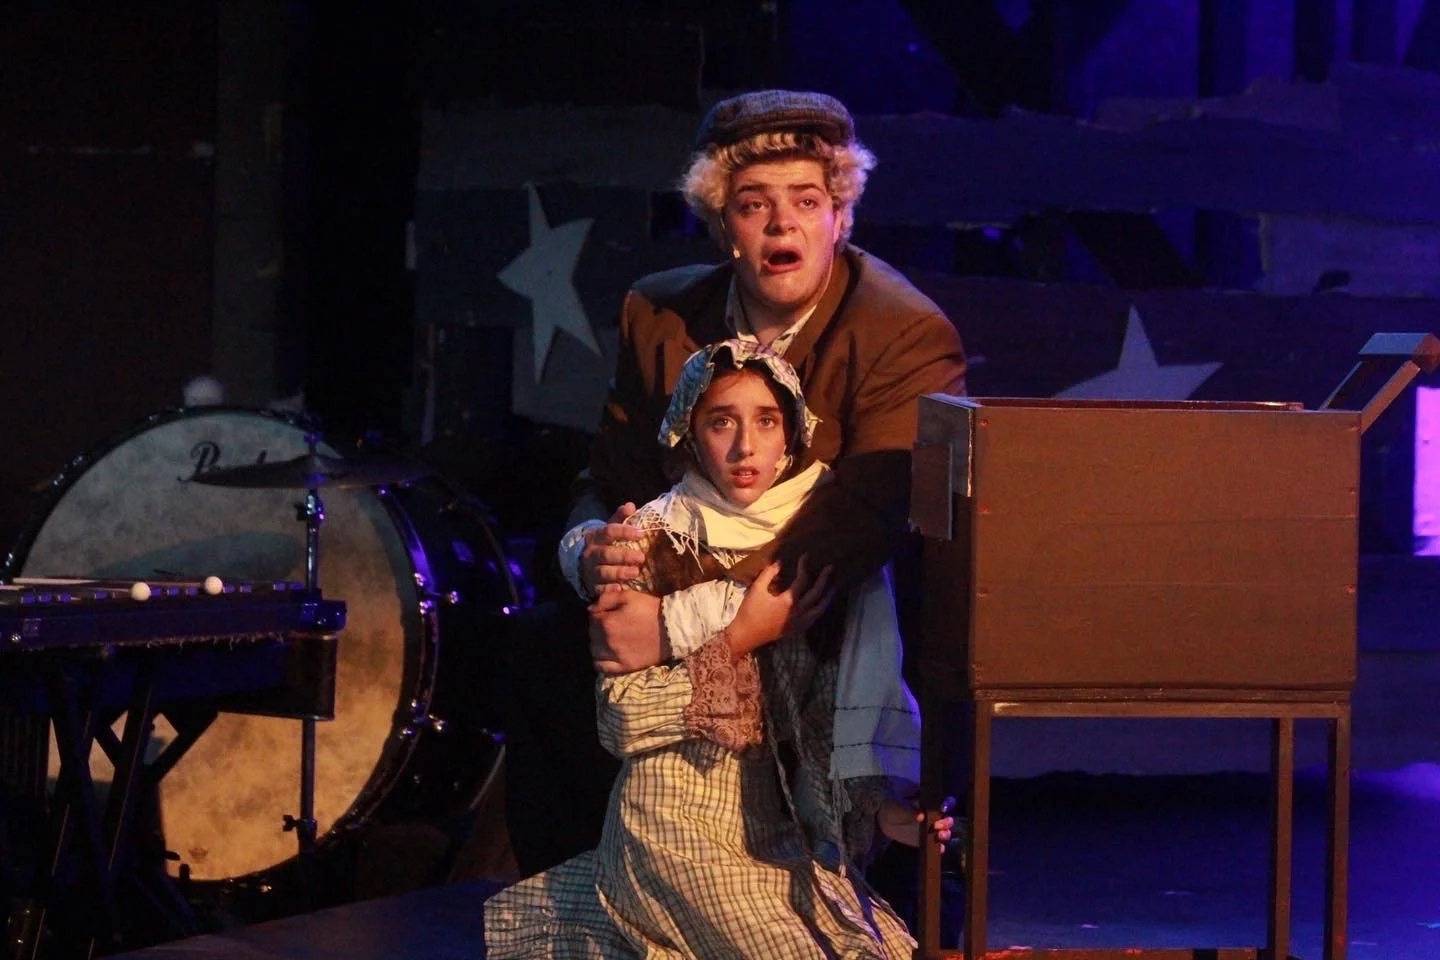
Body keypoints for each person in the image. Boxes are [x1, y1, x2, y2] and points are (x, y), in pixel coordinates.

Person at [503, 88, 967, 877]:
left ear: (840, 216)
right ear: (722, 223)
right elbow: (610, 476)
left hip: (820, 601)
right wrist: (595, 557)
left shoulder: (902, 331)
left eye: (807, 202)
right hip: (677, 570)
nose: (783, 224)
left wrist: (683, 626)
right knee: (545, 650)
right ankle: (601, 894)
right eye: (755, 205)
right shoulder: (660, 314)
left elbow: (855, 526)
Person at [486, 341, 951, 958]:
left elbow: (814, 722)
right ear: (689, 435)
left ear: (790, 433)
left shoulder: (816, 539)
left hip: (775, 833)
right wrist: (742, 635)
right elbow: (620, 720)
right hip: (670, 829)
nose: (745, 446)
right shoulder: (647, 540)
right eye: (721, 421)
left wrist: (886, 814)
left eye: (765, 419)